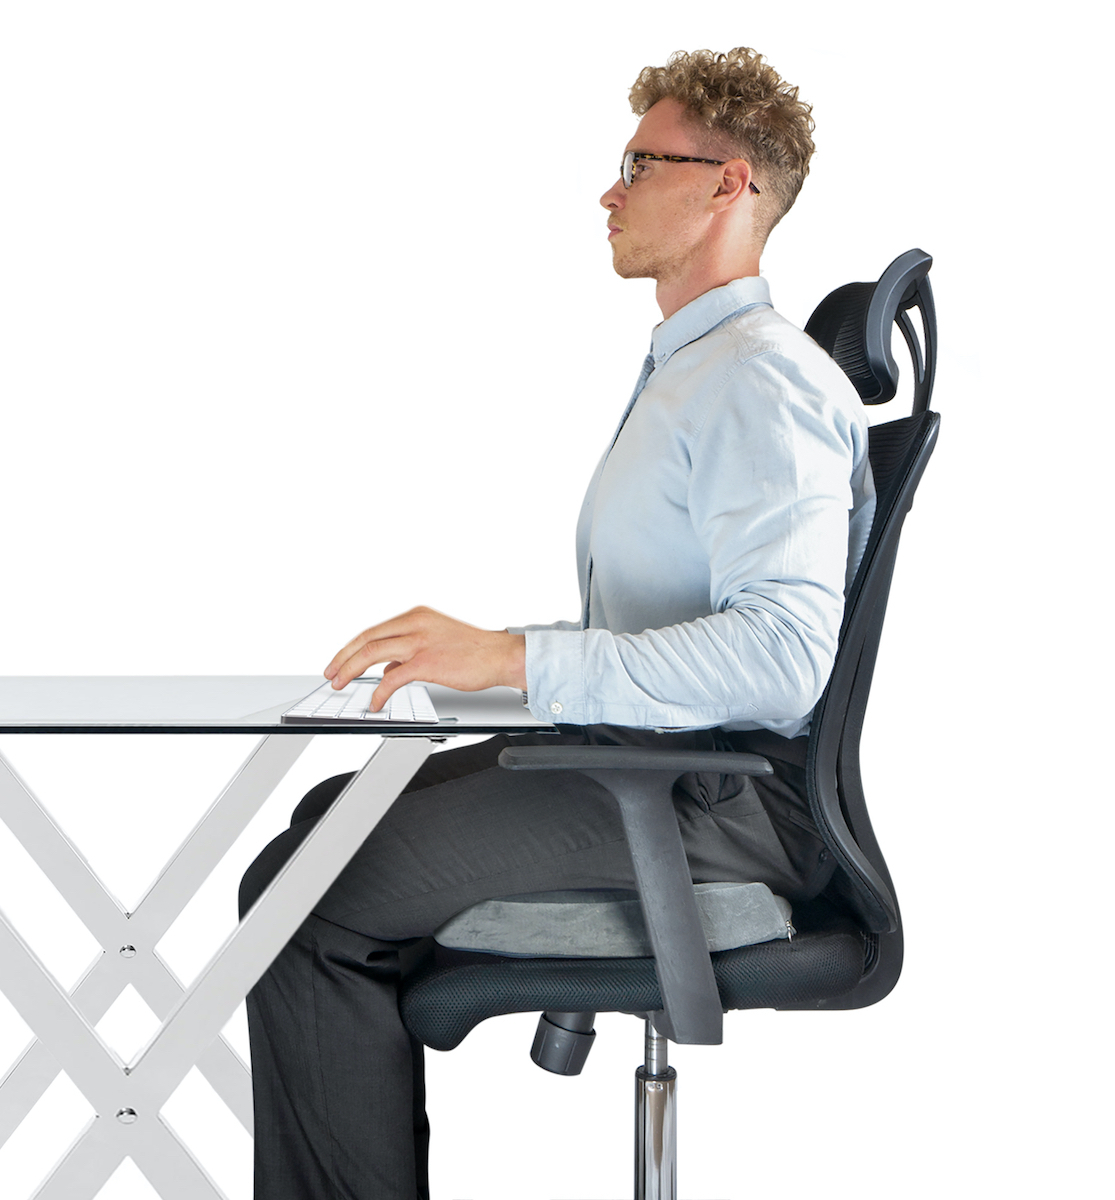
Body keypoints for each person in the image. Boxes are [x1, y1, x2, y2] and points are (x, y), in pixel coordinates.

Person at [239, 47, 875, 1200]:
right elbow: (666, 624)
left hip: (710, 809)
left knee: (297, 896)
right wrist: (493, 656)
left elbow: (783, 659)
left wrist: (518, 662)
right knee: (326, 822)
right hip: (660, 776)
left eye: (641, 163)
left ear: (729, 185)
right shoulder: (698, 371)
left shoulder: (758, 382)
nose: (610, 190)